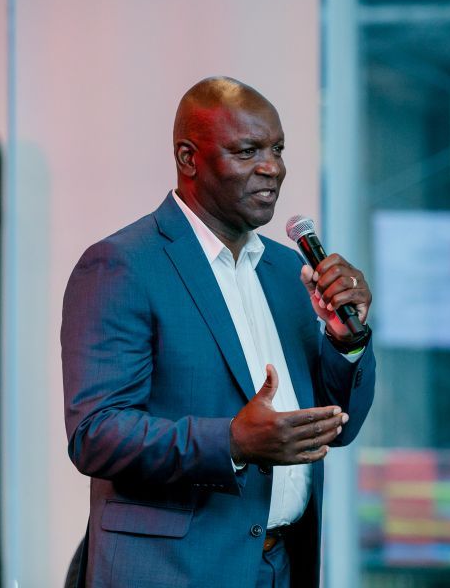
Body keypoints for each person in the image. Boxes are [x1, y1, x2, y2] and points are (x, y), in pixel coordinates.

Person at [61, 77, 375, 588]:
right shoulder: (123, 265)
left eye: (277, 149)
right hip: (172, 573)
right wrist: (231, 441)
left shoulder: (287, 272)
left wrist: (346, 340)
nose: (273, 167)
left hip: (281, 565)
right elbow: (96, 434)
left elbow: (337, 428)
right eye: (248, 151)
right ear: (189, 158)